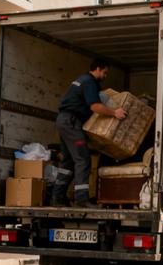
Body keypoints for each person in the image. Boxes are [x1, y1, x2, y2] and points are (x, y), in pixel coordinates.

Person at [52, 59, 127, 207]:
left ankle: (57, 196)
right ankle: (82, 199)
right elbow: (95, 106)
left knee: (68, 160)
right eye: (105, 72)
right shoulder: (90, 82)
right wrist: (114, 112)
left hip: (64, 121)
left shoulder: (81, 79)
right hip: (72, 122)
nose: (105, 76)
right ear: (98, 68)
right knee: (83, 159)